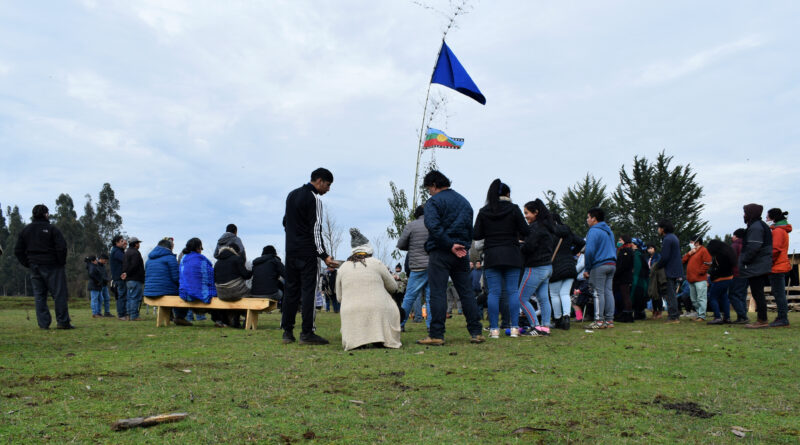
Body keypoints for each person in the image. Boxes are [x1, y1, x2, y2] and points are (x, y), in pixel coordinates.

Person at [416, 170, 485, 346]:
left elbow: (433, 226)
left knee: (438, 292)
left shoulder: (433, 203)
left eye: (428, 189)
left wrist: (449, 244)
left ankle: (437, 334)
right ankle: (476, 332)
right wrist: (463, 246)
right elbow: (471, 229)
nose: (429, 192)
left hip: (441, 251)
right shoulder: (464, 202)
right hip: (461, 253)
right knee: (466, 292)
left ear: (433, 185)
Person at [282, 167, 337, 345]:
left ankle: (287, 332)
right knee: (309, 292)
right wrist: (324, 255)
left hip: (290, 251)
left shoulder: (291, 195)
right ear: (319, 181)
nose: (328, 189)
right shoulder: (315, 200)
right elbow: (316, 230)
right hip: (307, 253)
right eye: (328, 185)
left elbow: (285, 222)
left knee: (290, 290)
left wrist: (294, 237)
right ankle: (307, 332)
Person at [473, 179, 529, 338]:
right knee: (512, 292)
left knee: (494, 293)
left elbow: (476, 234)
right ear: (508, 194)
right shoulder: (514, 209)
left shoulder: (484, 211)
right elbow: (525, 230)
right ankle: (515, 329)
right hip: (512, 255)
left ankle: (494, 330)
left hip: (492, 256)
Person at [335, 228, 401, 350]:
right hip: (378, 308)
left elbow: (339, 298)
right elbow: (393, 287)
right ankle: (381, 337)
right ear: (368, 248)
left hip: (351, 310)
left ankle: (357, 339)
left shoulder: (342, 268)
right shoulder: (376, 263)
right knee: (388, 304)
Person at [14, 204, 73, 329]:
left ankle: (43, 323)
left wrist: (28, 263)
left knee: (40, 296)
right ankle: (62, 322)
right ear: (46, 214)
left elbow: (18, 250)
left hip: (35, 266)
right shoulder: (52, 229)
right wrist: (60, 262)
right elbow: (62, 247)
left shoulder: (26, 230)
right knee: (59, 294)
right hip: (53, 265)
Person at [517, 199, 555, 335]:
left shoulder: (535, 228)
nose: (525, 215)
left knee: (520, 298)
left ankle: (535, 326)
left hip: (535, 268)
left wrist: (520, 244)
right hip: (547, 268)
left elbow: (529, 247)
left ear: (536, 212)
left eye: (527, 212)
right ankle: (545, 326)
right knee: (543, 299)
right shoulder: (547, 227)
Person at [397, 205, 432, 331]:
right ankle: (431, 326)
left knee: (409, 297)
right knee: (430, 298)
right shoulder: (433, 224)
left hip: (417, 266)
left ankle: (400, 324)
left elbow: (400, 244)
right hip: (433, 266)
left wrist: (411, 247)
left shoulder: (411, 225)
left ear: (416, 215)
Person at [739, 204, 774, 329]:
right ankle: (761, 319)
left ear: (750, 213)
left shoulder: (756, 227)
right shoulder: (758, 226)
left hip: (757, 265)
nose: (744, 215)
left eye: (745, 212)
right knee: (757, 292)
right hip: (758, 264)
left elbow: (754, 247)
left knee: (757, 292)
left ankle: (762, 320)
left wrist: (744, 260)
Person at [549, 214, 584, 330]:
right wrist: (573, 253)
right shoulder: (567, 231)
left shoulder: (550, 232)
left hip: (555, 266)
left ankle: (558, 320)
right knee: (564, 293)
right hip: (569, 265)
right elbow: (581, 243)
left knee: (554, 294)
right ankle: (567, 317)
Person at [583, 207, 616, 329]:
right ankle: (609, 320)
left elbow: (590, 251)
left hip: (599, 265)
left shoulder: (593, 231)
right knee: (608, 292)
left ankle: (599, 321)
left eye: (588, 217)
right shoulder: (609, 231)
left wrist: (587, 268)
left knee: (598, 293)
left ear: (594, 218)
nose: (587, 220)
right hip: (612, 264)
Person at [144, 237, 190, 326]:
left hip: (149, 292)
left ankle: (172, 317)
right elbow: (176, 278)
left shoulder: (149, 260)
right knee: (183, 292)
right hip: (164, 291)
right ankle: (180, 317)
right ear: (169, 248)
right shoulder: (170, 258)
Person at [766, 208, 791, 327]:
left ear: (773, 218)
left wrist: (768, 262)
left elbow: (775, 250)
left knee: (779, 293)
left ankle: (783, 318)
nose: (766, 218)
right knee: (779, 293)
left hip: (777, 266)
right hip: (778, 265)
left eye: (768, 216)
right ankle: (782, 317)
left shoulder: (778, 232)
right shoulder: (781, 230)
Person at [654, 219, 683, 323]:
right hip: (676, 269)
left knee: (670, 294)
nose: (658, 230)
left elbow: (665, 257)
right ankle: (674, 314)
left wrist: (657, 266)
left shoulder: (667, 239)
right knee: (672, 294)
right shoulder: (674, 238)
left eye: (659, 227)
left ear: (663, 229)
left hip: (670, 270)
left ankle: (673, 316)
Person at [705, 239, 736, 324]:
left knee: (712, 297)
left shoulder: (719, 256)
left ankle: (717, 317)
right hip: (729, 278)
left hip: (720, 279)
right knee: (724, 297)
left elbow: (718, 269)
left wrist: (711, 274)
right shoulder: (728, 253)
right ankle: (727, 317)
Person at [681, 236, 711, 321]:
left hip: (700, 279)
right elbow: (682, 260)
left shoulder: (704, 250)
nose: (690, 243)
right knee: (694, 299)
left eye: (691, 242)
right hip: (691, 279)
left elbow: (708, 262)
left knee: (701, 298)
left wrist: (700, 272)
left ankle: (702, 316)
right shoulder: (691, 252)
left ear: (697, 242)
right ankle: (699, 314)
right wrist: (689, 253)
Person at [179, 238, 217, 304]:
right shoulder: (202, 260)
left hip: (185, 294)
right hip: (202, 294)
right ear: (198, 248)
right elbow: (211, 275)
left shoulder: (183, 260)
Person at [727, 228, 749, 323]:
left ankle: (742, 315)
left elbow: (730, 260)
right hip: (746, 273)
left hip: (736, 273)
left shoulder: (734, 246)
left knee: (733, 295)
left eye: (733, 235)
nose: (732, 237)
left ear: (736, 236)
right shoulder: (747, 245)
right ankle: (742, 316)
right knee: (742, 295)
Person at [122, 237, 145, 321]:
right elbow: (134, 265)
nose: (139, 245)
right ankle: (134, 316)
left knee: (129, 297)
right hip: (135, 279)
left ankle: (128, 315)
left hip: (128, 280)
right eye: (138, 243)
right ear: (135, 244)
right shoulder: (135, 253)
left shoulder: (126, 252)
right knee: (135, 298)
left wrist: (125, 273)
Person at [613, 235, 635, 323]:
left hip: (624, 277)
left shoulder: (627, 251)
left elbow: (623, 265)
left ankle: (628, 314)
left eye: (620, 240)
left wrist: (616, 273)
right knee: (623, 296)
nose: (619, 242)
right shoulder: (622, 250)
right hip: (622, 277)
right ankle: (623, 313)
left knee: (626, 296)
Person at [109, 235, 128, 320]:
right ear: (116, 243)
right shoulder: (117, 252)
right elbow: (125, 260)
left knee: (122, 295)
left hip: (119, 276)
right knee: (122, 295)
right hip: (120, 277)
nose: (124, 242)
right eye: (121, 241)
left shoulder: (118, 251)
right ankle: (121, 314)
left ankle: (123, 313)